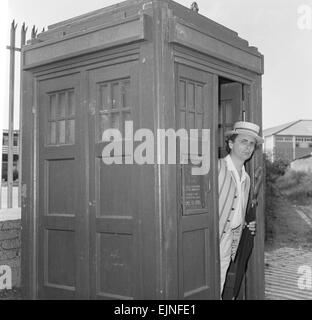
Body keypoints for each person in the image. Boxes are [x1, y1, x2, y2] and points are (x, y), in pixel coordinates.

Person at [218, 121, 264, 298]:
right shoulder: (217, 168)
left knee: (220, 284)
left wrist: (245, 223)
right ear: (230, 143)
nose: (248, 147)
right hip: (211, 239)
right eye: (244, 141)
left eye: (252, 144)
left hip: (230, 239)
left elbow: (235, 207)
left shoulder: (247, 179)